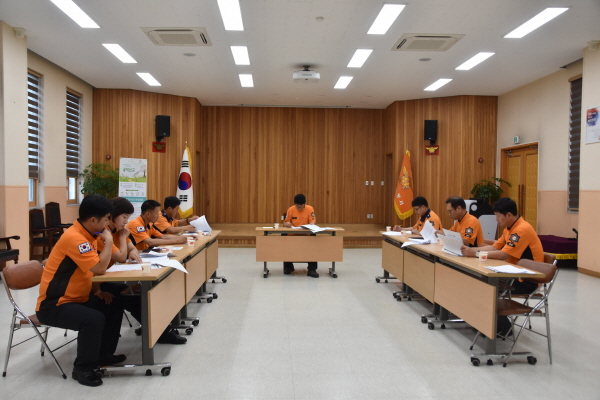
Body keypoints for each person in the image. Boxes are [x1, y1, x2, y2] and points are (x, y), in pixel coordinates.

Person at [35, 194, 125, 387]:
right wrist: (109, 241)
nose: (108, 224)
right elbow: (99, 268)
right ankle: (83, 368)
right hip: (54, 304)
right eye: (106, 219)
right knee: (93, 319)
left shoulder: (89, 234)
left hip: (79, 298)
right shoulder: (75, 238)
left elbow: (86, 271)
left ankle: (103, 355)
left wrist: (97, 290)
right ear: (93, 220)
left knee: (113, 303)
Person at [95, 197, 187, 345]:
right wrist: (124, 239)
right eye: (124, 217)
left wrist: (130, 250)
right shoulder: (106, 233)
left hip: (108, 276)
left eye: (128, 218)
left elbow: (131, 249)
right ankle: (159, 331)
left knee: (139, 297)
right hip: (97, 282)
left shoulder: (119, 230)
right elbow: (122, 256)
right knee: (134, 298)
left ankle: (159, 330)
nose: (126, 222)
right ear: (112, 216)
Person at [460, 197, 544, 335]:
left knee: (487, 286)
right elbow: (495, 247)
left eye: (498, 216)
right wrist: (471, 250)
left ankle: (503, 328)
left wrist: (474, 253)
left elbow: (503, 254)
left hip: (527, 279)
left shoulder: (521, 229)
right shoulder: (509, 228)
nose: (496, 220)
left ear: (509, 215)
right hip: (513, 274)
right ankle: (485, 321)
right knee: (479, 280)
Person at [282, 193, 319, 278]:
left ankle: (312, 269)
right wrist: (286, 224)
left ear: (304, 204)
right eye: (297, 206)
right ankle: (288, 267)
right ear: (295, 204)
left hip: (306, 235)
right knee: (286, 244)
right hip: (292, 235)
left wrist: (312, 224)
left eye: (301, 206)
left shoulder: (310, 209)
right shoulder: (291, 209)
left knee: (312, 247)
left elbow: (312, 222)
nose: (299, 207)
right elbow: (285, 222)